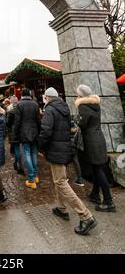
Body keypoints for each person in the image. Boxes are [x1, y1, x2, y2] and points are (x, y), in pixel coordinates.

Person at [38, 87, 97, 236]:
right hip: (64, 149)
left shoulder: (50, 110)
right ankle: (62, 208)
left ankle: (85, 215)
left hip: (55, 150)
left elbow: (46, 131)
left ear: (47, 98)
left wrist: (39, 146)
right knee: (59, 180)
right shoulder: (64, 108)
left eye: (45, 97)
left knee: (61, 182)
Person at [75, 84, 116, 212]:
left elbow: (83, 123)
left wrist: (77, 122)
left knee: (98, 170)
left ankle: (108, 201)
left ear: (80, 94)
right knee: (96, 168)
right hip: (99, 138)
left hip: (91, 141)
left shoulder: (82, 106)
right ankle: (95, 194)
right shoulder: (95, 104)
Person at [14, 88, 40, 188]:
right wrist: (39, 130)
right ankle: (36, 175)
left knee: (27, 154)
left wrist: (15, 133)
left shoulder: (19, 104)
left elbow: (17, 121)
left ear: (21, 94)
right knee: (33, 154)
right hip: (34, 132)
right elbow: (38, 120)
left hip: (24, 133)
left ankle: (31, 178)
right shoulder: (35, 104)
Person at [6, 95, 23, 174]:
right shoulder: (21, 108)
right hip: (21, 130)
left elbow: (8, 122)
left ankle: (19, 164)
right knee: (19, 148)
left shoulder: (10, 109)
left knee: (16, 148)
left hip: (13, 131)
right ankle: (17, 162)